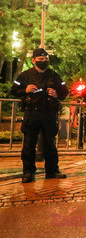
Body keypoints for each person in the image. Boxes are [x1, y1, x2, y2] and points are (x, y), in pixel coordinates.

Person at [11, 48, 69, 183]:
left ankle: (52, 170)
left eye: (45, 59)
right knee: (29, 144)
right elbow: (13, 90)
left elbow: (64, 91)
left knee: (50, 144)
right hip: (32, 113)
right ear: (34, 60)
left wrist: (56, 94)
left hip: (49, 113)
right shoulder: (25, 75)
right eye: (40, 59)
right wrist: (24, 90)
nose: (43, 61)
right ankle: (28, 172)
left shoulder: (54, 75)